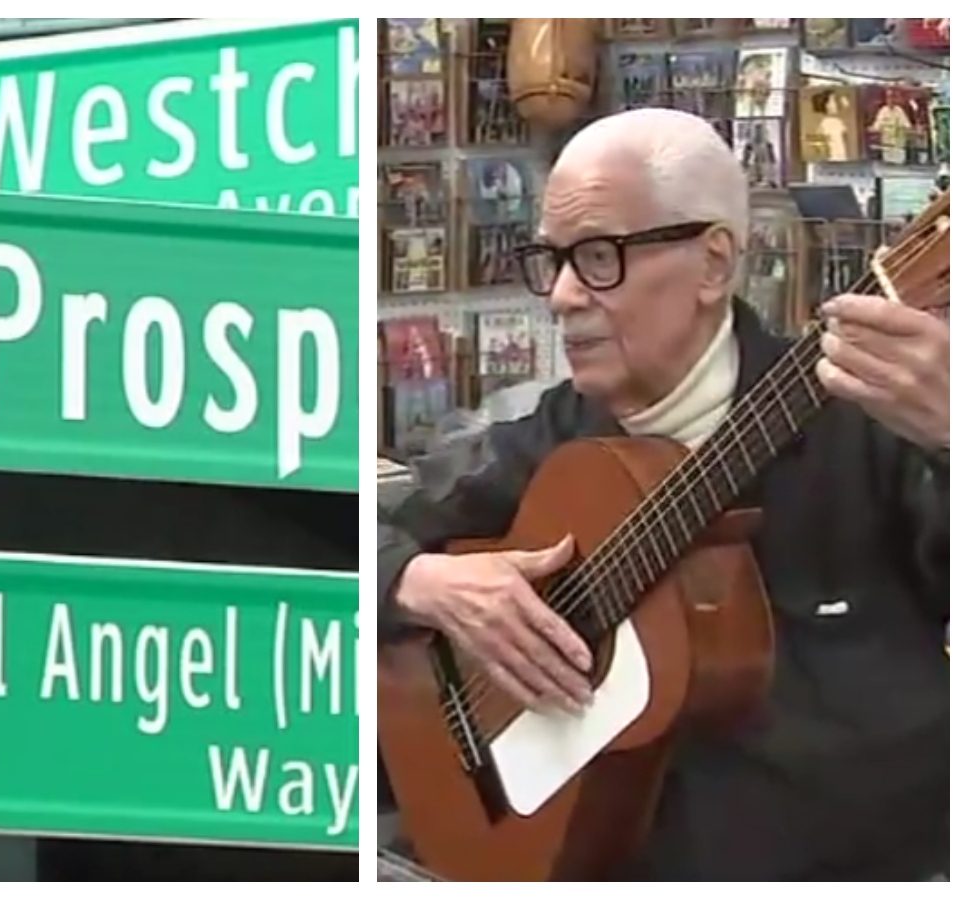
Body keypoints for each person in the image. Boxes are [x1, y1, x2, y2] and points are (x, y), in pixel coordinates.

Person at [377, 108, 949, 881]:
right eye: (552, 260)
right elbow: (349, 533)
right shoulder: (548, 433)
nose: (563, 296)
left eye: (600, 257)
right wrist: (422, 582)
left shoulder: (871, 424)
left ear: (714, 263)